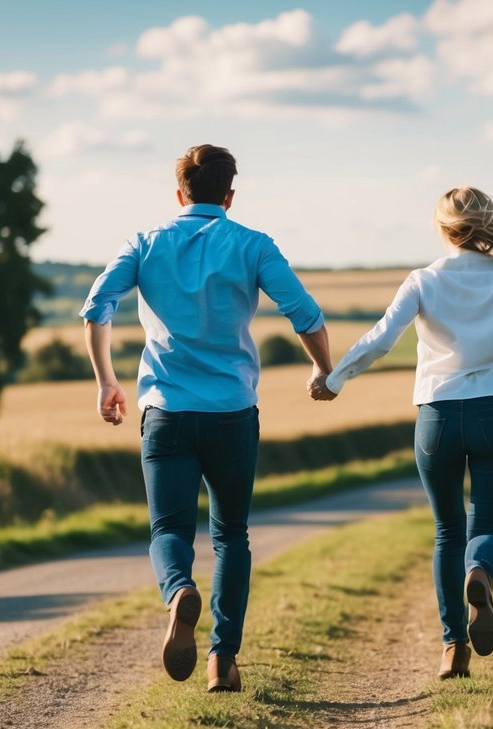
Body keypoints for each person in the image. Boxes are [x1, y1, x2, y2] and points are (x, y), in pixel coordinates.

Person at [81, 144, 333, 692]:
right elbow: (305, 314)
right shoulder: (252, 244)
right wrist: (324, 369)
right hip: (231, 415)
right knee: (231, 537)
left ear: (179, 194)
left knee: (169, 529)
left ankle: (178, 592)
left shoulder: (145, 243)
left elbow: (97, 305)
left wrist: (107, 380)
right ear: (230, 196)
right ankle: (223, 660)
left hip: (166, 414)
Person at [312, 186, 493, 679]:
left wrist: (334, 379)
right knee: (486, 529)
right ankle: (480, 572)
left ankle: (454, 647)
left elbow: (381, 339)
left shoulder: (422, 280)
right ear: (486, 225)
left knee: (448, 531)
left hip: (438, 419)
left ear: (443, 229)